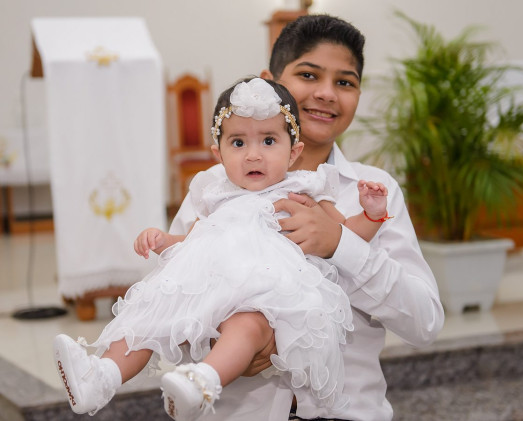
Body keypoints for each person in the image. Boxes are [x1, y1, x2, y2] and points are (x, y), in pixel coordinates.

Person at [53, 76, 394, 421]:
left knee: (247, 327)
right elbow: (196, 240)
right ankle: (102, 376)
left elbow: (344, 235)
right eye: (238, 143)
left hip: (268, 295)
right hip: (209, 283)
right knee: (148, 315)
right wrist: (164, 241)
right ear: (218, 153)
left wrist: (371, 215)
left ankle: (202, 382)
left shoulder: (303, 190)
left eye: (269, 141)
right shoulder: (216, 193)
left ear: (294, 152)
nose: (253, 155)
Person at [170, 14, 445, 421]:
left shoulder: (372, 192)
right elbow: (166, 306)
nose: (327, 94)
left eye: (345, 82)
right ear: (268, 83)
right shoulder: (214, 189)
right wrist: (222, 343)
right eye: (309, 75)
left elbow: (425, 323)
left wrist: (341, 244)